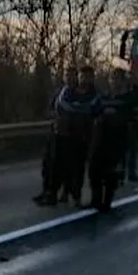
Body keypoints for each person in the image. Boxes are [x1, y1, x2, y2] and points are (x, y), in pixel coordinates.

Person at [46, 65, 103, 207]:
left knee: (79, 168)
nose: (84, 79)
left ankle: (76, 195)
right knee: (61, 165)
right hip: (67, 134)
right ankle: (59, 193)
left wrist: (79, 111)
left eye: (87, 77)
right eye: (82, 76)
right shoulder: (69, 91)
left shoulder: (95, 94)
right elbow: (62, 106)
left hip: (85, 136)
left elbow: (94, 110)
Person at [90, 72, 129, 211]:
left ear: (123, 81)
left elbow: (130, 119)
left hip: (116, 140)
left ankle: (107, 202)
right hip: (100, 139)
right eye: (112, 78)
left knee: (110, 174)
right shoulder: (102, 98)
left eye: (117, 79)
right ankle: (95, 200)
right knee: (94, 171)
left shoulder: (127, 99)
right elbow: (92, 111)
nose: (114, 81)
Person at [34, 77, 72, 206]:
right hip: (55, 131)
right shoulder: (59, 92)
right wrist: (52, 115)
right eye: (68, 75)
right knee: (47, 164)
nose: (69, 78)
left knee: (61, 166)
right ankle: (46, 191)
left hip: (67, 134)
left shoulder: (75, 94)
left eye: (72, 75)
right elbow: (49, 109)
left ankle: (57, 194)